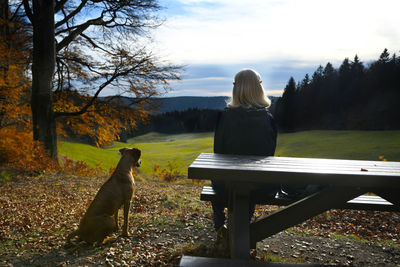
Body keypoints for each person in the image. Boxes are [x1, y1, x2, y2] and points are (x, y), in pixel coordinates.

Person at [212, 68, 280, 238]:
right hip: (261, 187)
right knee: (248, 186)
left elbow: (218, 153)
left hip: (225, 186)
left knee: (225, 183)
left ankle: (223, 225)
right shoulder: (268, 119)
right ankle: (236, 230)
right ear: (259, 88)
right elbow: (269, 155)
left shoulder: (224, 117)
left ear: (236, 89)